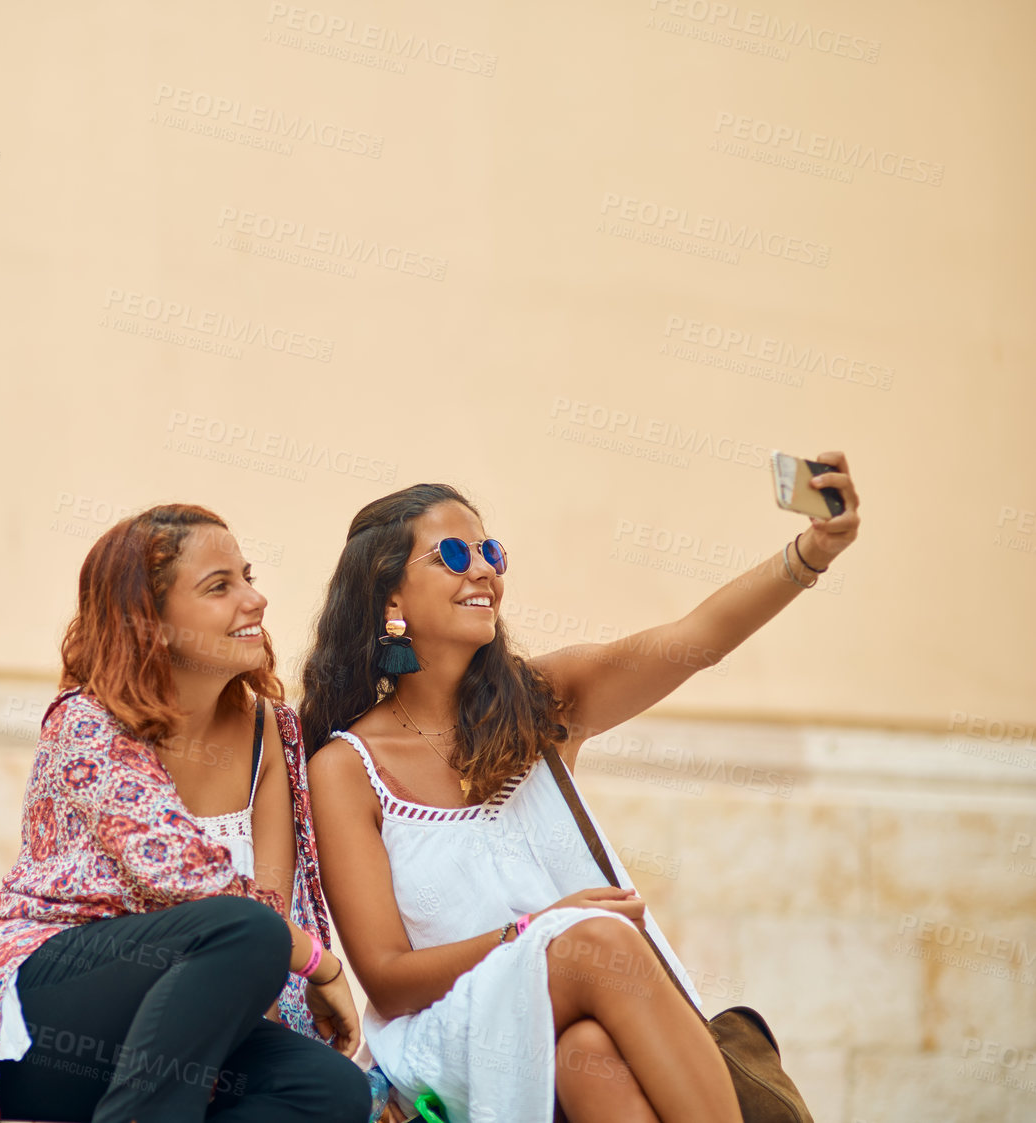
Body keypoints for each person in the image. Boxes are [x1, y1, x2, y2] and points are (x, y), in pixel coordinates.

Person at [300, 457, 860, 1122]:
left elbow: (693, 641)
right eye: (452, 554)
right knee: (597, 936)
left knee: (587, 1054)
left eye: (490, 551)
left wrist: (811, 552)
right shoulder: (346, 767)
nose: (482, 569)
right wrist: (541, 929)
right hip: (448, 1036)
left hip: (573, 1008)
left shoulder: (538, 702)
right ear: (389, 596)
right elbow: (389, 981)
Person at [0, 503, 373, 1123]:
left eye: (247, 576)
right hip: (41, 1014)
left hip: (171, 1036)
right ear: (151, 623)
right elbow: (183, 879)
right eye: (220, 587)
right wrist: (320, 965)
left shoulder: (272, 732)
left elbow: (274, 903)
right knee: (242, 929)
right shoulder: (86, 721)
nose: (255, 599)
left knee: (330, 1092)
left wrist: (280, 995)